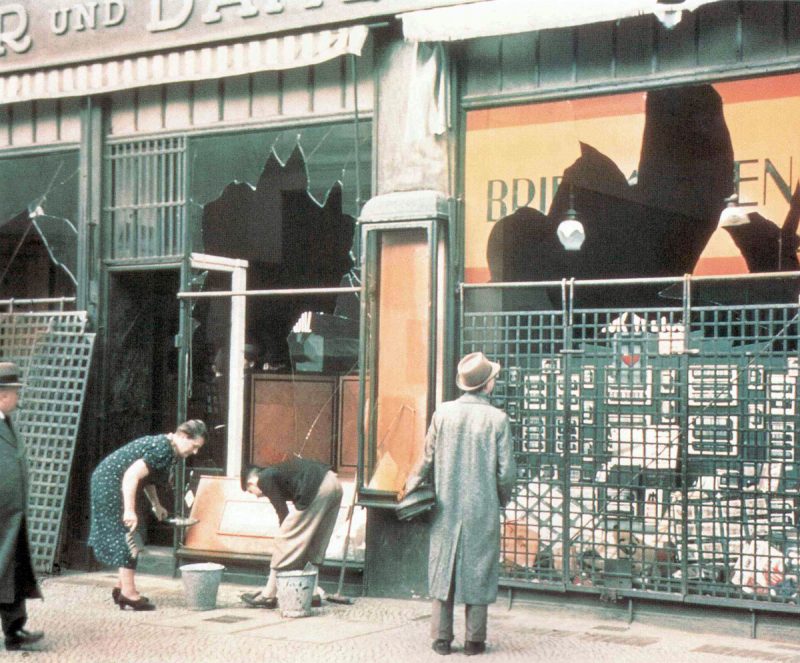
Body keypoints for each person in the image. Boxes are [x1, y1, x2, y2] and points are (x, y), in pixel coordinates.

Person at [400, 351, 516, 656]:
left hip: (444, 505)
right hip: (483, 507)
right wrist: (501, 499)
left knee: (444, 567)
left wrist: (409, 489)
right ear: (487, 385)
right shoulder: (498, 419)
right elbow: (506, 473)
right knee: (479, 568)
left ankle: (441, 638)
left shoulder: (443, 414)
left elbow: (425, 459)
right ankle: (474, 641)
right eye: (493, 378)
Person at [88, 419, 207, 611]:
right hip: (110, 484)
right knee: (126, 535)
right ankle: (128, 593)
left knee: (128, 533)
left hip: (110, 481)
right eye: (194, 446)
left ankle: (122, 587)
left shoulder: (168, 448)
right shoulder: (163, 448)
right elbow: (131, 476)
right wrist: (129, 510)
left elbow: (148, 477)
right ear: (183, 436)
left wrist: (156, 504)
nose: (195, 452)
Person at [240, 457, 343, 608]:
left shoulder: (264, 479)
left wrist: (285, 537)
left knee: (284, 539)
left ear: (251, 482)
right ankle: (312, 594)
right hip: (334, 484)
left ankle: (268, 595)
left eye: (251, 492)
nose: (255, 495)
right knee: (315, 541)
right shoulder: (277, 473)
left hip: (317, 488)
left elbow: (283, 513)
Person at [0, 362, 44, 651]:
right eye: (15, 392)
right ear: (2, 394)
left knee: (12, 572)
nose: (19, 397)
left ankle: (14, 631)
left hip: (12, 516)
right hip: (1, 516)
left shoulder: (6, 421)